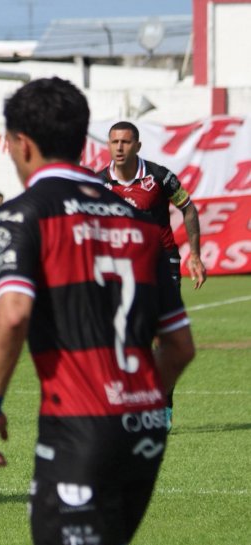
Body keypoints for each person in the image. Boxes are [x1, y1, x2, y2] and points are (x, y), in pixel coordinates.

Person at [0, 77, 195, 545]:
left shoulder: (23, 215)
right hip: (144, 424)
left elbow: (12, 316)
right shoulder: (140, 224)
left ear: (21, 143)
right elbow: (181, 347)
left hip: (79, 427)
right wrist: (136, 398)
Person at [98, 120, 207, 429]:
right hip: (121, 268)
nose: (119, 147)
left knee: (164, 339)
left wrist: (195, 255)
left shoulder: (160, 177)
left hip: (162, 264)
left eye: (126, 142)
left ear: (138, 146)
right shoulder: (98, 183)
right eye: (114, 142)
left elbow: (188, 208)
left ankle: (164, 405)